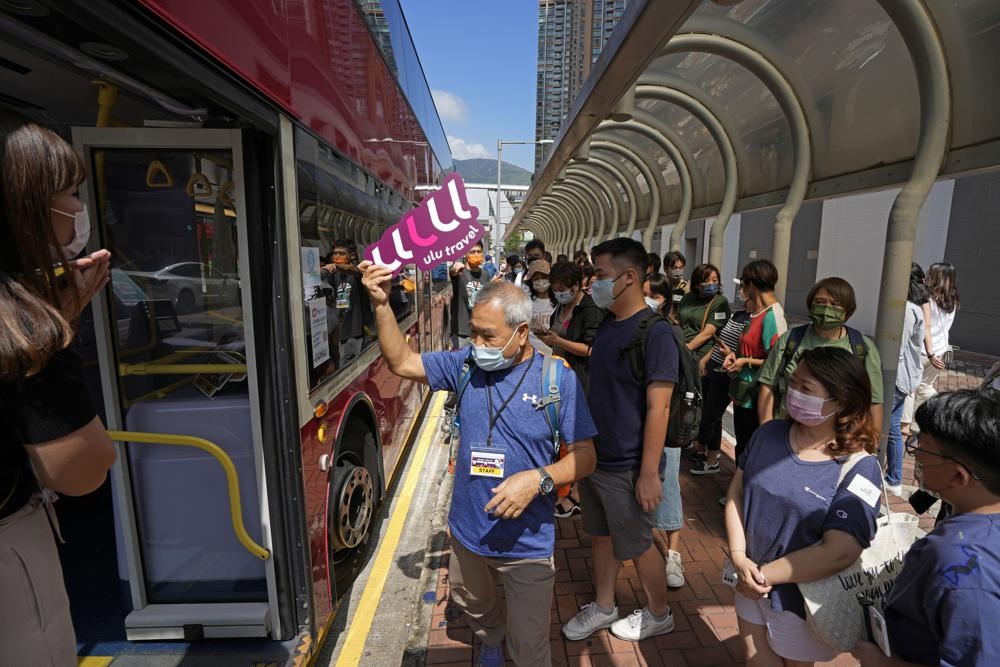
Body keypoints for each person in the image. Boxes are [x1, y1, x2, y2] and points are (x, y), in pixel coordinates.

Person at [356, 269, 597, 667]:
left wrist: (538, 479)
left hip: (529, 545)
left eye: (489, 336)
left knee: (531, 647)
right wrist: (381, 304)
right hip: (468, 532)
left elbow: (586, 456)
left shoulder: (556, 380)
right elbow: (401, 361)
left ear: (521, 334)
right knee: (475, 604)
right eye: (473, 333)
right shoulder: (466, 365)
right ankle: (490, 637)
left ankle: (512, 645)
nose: (477, 344)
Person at [0, 113, 118, 665]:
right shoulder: (17, 325)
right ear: (26, 206)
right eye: (71, 193)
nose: (79, 210)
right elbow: (82, 470)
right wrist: (54, 330)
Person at [726, 347, 883, 665]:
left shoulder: (858, 467)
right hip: (746, 577)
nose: (792, 392)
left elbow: (840, 551)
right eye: (793, 382)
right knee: (754, 657)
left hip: (804, 603)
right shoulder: (768, 433)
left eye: (806, 388)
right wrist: (739, 558)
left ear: (841, 400)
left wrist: (761, 576)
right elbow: (737, 493)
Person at [562, 238, 680, 642]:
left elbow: (659, 408)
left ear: (629, 277)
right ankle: (604, 604)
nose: (593, 281)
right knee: (601, 534)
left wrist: (649, 473)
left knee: (638, 543)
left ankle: (659, 613)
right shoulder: (610, 323)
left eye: (600, 274)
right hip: (597, 456)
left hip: (629, 465)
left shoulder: (655, 331)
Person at [852, 389, 1000, 666]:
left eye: (922, 451)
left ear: (958, 476)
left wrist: (882, 663)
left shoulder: (961, 566)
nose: (915, 456)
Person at [756, 277, 883, 427]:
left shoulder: (863, 348)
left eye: (835, 304)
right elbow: (768, 384)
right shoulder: (790, 339)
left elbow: (874, 401)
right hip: (789, 429)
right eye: (820, 302)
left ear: (847, 311)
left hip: (841, 437)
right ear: (810, 305)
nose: (826, 309)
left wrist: (870, 442)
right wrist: (767, 427)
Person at [641, 272, 687, 587]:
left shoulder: (668, 333)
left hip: (666, 426)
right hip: (636, 423)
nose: (648, 300)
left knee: (667, 486)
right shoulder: (629, 330)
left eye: (653, 295)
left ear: (664, 299)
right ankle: (642, 545)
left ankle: (674, 556)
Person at [722, 260, 787, 464]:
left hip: (756, 396)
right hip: (743, 393)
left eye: (742, 285)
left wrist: (745, 361)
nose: (742, 291)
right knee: (743, 445)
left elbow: (777, 361)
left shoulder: (772, 316)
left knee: (751, 448)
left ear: (751, 285)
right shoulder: (756, 313)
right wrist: (735, 356)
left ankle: (744, 492)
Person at [689, 284, 751, 474]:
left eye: (743, 287)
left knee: (711, 416)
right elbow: (721, 342)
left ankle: (708, 456)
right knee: (708, 414)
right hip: (712, 368)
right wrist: (706, 360)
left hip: (725, 374)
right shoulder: (738, 314)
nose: (740, 291)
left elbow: (740, 350)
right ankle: (708, 454)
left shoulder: (754, 320)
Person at [885, 265, 932, 497]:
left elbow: (897, 350)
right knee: (894, 427)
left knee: (891, 428)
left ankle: (893, 478)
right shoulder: (915, 308)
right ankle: (892, 477)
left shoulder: (905, 310)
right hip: (906, 375)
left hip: (897, 376)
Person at [678, 263, 730, 452]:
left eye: (715, 280)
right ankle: (688, 439)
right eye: (706, 280)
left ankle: (707, 450)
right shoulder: (688, 299)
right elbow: (680, 320)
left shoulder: (719, 302)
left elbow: (709, 333)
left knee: (705, 407)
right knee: (684, 400)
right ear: (697, 283)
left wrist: (685, 350)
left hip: (702, 358)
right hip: (684, 352)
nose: (711, 284)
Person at [904, 262, 959, 435]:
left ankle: (903, 424)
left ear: (936, 277)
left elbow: (926, 327)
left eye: (930, 273)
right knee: (925, 385)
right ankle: (919, 423)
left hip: (924, 350)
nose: (926, 275)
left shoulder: (926, 298)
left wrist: (929, 351)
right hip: (941, 349)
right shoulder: (954, 298)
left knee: (910, 387)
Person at [441, 241, 489, 434]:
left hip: (481, 331)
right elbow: (452, 274)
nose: (476, 254)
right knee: (459, 373)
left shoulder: (485, 275)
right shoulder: (459, 272)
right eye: (472, 252)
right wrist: (454, 269)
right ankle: (449, 410)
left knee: (480, 371)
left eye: (478, 251)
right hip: (462, 331)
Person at [322, 239, 371, 365]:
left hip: (359, 333)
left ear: (352, 255)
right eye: (335, 253)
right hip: (343, 333)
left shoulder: (359, 272)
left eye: (341, 254)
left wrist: (336, 266)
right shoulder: (335, 275)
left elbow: (354, 270)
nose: (336, 257)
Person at [524, 259, 556, 354]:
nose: (540, 281)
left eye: (543, 277)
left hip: (553, 353)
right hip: (532, 353)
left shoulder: (558, 301)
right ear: (531, 282)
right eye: (536, 279)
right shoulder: (526, 301)